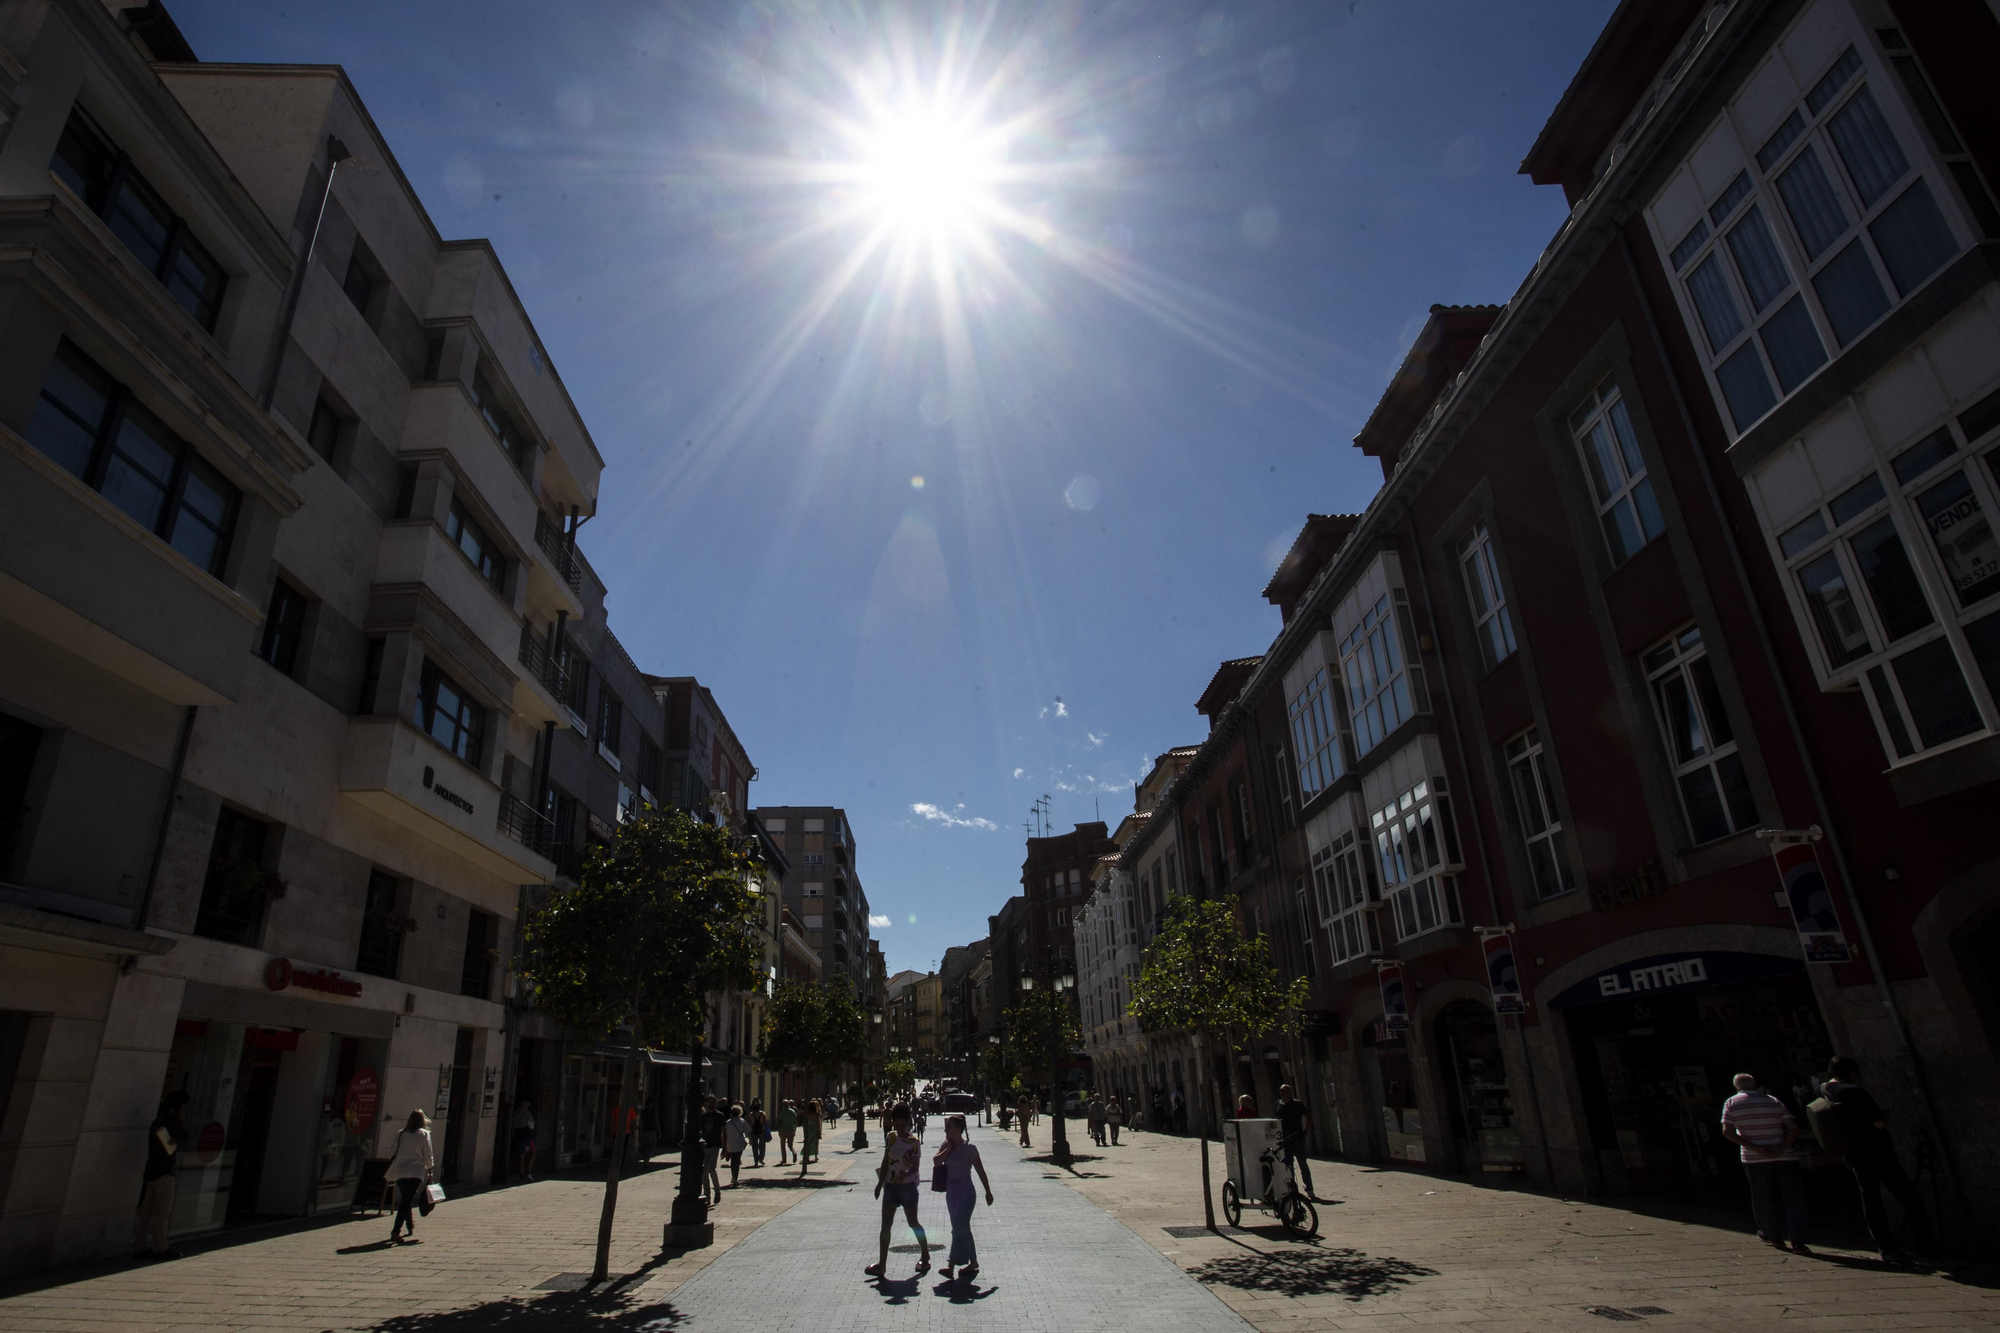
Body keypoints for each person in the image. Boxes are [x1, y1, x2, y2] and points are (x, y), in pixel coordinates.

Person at [1817, 1056, 1937, 1263]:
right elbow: (1879, 1123)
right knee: (1909, 1198)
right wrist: (1885, 1116)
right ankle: (1926, 1248)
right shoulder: (1853, 1091)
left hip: (1854, 1153)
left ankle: (1886, 1248)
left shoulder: (1822, 1090)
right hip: (1878, 1152)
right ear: (1850, 1072)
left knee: (1871, 1201)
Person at [1720, 1073, 1810, 1254]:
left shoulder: (1731, 1103)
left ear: (1736, 1086)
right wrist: (1782, 1147)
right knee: (1792, 1198)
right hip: (1784, 1157)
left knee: (1762, 1197)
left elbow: (1727, 1131)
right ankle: (1798, 1241)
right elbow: (1793, 1128)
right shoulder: (1773, 1101)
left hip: (1754, 1159)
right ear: (1755, 1085)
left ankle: (1773, 1235)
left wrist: (1754, 1147)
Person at [864, 1103, 930, 1278]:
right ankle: (882, 1264)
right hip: (891, 1187)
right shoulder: (890, 1138)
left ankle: (925, 1254)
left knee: (913, 1223)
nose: (900, 1129)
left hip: (908, 1187)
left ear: (909, 1122)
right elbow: (886, 1160)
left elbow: (916, 1168)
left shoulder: (914, 1142)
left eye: (903, 1125)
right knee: (886, 1225)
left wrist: (905, 1175)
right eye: (897, 1125)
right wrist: (879, 1185)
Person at [934, 1113, 993, 1282]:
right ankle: (973, 1262)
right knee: (962, 1227)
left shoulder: (970, 1148)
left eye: (949, 1127)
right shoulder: (946, 1145)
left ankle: (951, 1265)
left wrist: (988, 1191)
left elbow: (981, 1171)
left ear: (958, 1130)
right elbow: (936, 1161)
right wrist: (949, 1149)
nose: (946, 1130)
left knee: (958, 1226)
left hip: (966, 1191)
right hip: (950, 1191)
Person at [133, 1090, 191, 1260]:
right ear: (177, 1109)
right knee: (163, 1212)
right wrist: (179, 1123)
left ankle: (139, 1247)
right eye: (183, 1110)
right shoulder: (171, 1123)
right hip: (165, 1173)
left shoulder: (157, 1122)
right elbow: (183, 1139)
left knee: (146, 1213)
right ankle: (160, 1247)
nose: (184, 1113)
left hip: (151, 1172)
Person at [386, 1110, 435, 1244]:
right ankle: (396, 1231)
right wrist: (430, 1171)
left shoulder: (401, 1133)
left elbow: (392, 1151)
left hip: (400, 1170)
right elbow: (428, 1154)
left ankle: (409, 1224)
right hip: (415, 1171)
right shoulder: (424, 1134)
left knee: (405, 1198)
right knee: (406, 1200)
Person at [1275, 1084, 1317, 1199]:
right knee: (1288, 1165)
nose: (1281, 1093)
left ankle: (1309, 1189)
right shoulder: (1278, 1104)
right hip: (1285, 1139)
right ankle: (1293, 1189)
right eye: (1280, 1091)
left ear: (1290, 1092)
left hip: (1297, 1138)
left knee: (1302, 1164)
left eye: (1283, 1091)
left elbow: (1309, 1116)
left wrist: (1305, 1131)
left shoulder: (1297, 1104)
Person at [699, 1094, 727, 1205]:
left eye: (713, 1102)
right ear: (706, 1103)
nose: (711, 1104)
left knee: (711, 1169)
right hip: (705, 1146)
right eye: (709, 1102)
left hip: (715, 1145)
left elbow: (724, 1132)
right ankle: (707, 1196)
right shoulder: (703, 1116)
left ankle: (717, 1191)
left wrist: (725, 1147)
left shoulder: (720, 1116)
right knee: (704, 1172)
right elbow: (700, 1130)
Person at [723, 1103, 750, 1187]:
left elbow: (724, 1134)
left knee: (732, 1160)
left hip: (730, 1144)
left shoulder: (728, 1122)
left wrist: (724, 1146)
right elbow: (747, 1132)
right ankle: (735, 1177)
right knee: (737, 1160)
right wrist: (750, 1140)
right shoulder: (742, 1121)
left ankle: (733, 1176)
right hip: (739, 1144)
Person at [511, 1100, 537, 1181]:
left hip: (517, 1134)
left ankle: (522, 1173)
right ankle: (528, 1171)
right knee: (534, 1151)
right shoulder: (527, 1113)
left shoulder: (515, 1112)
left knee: (521, 1154)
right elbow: (531, 1125)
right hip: (527, 1136)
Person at [799, 1098, 822, 1177]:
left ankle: (807, 1157)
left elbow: (804, 1123)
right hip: (814, 1129)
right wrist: (819, 1130)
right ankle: (815, 1157)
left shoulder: (807, 1114)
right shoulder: (816, 1114)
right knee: (815, 1143)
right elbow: (818, 1123)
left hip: (808, 1130)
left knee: (807, 1143)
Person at [777, 1098, 798, 1165]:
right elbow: (795, 1120)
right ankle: (794, 1152)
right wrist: (795, 1128)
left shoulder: (782, 1112)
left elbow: (781, 1122)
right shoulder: (792, 1111)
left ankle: (784, 1159)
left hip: (784, 1130)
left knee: (783, 1145)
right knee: (790, 1145)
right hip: (791, 1129)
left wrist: (779, 1130)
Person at [747, 1100, 768, 1168]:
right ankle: (761, 1158)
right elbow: (765, 1122)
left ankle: (756, 1160)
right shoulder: (762, 1113)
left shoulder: (751, 1114)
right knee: (762, 1145)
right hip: (761, 1131)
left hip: (754, 1131)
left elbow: (749, 1123)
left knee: (754, 1146)